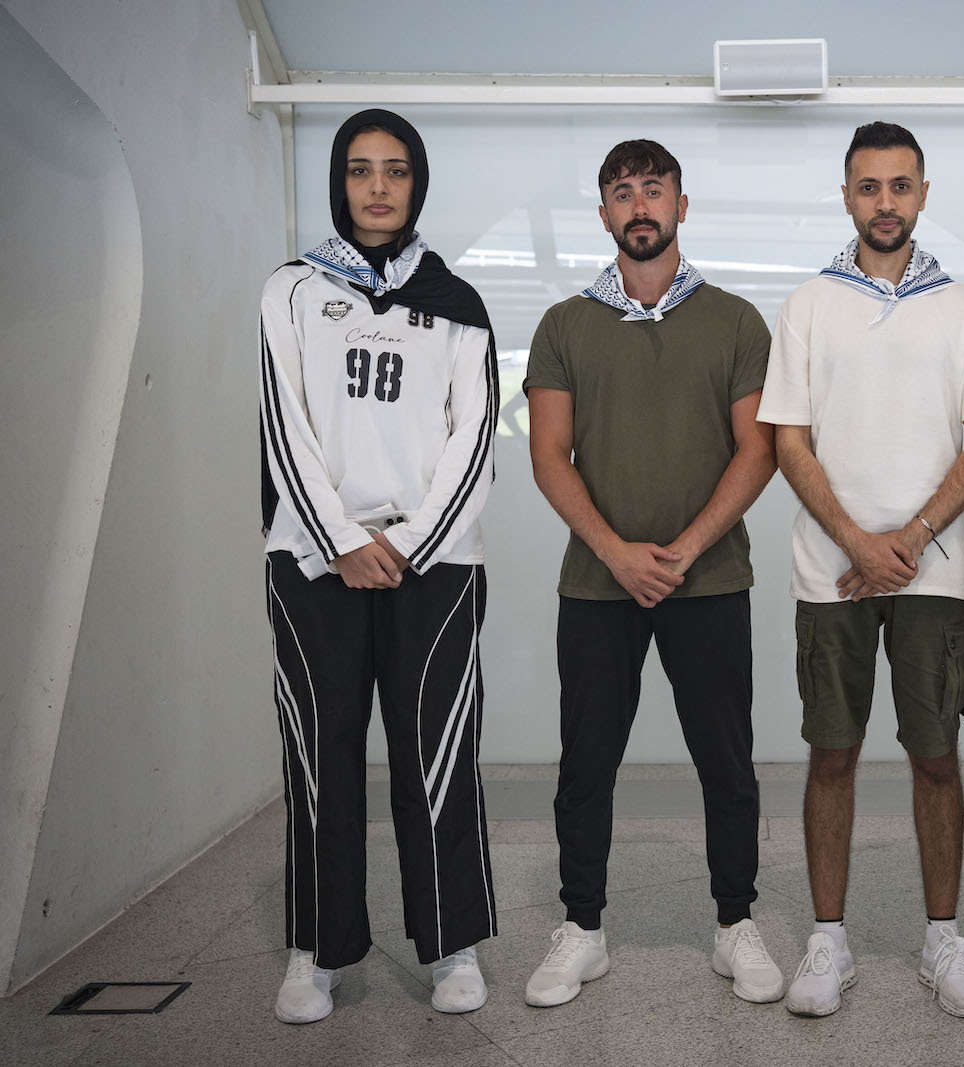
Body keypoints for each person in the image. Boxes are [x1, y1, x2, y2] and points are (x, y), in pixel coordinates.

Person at [757, 121, 964, 1019]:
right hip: (829, 572)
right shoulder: (806, 305)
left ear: (922, 194)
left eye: (900, 185)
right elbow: (788, 441)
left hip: (934, 573)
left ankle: (941, 937)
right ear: (845, 197)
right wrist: (861, 544)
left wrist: (907, 538)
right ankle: (828, 938)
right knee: (831, 752)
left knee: (936, 757)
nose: (884, 201)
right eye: (868, 186)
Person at [521, 139, 784, 1007]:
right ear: (603, 214)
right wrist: (618, 552)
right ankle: (583, 928)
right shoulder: (564, 324)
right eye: (622, 193)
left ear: (681, 204)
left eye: (653, 190)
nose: (640, 205)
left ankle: (734, 923)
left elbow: (759, 450)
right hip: (599, 585)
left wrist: (683, 549)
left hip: (708, 582)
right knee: (586, 762)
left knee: (727, 762)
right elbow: (549, 457)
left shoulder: (738, 320)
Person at [259, 109, 499, 1024]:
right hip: (313, 565)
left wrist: (400, 546)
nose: (378, 187)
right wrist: (343, 543)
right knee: (321, 755)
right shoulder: (288, 291)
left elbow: (472, 444)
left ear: (417, 182)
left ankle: (451, 946)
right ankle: (315, 951)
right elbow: (286, 432)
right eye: (360, 170)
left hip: (431, 566)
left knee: (435, 753)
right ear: (339, 180)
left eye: (395, 170)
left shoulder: (459, 304)